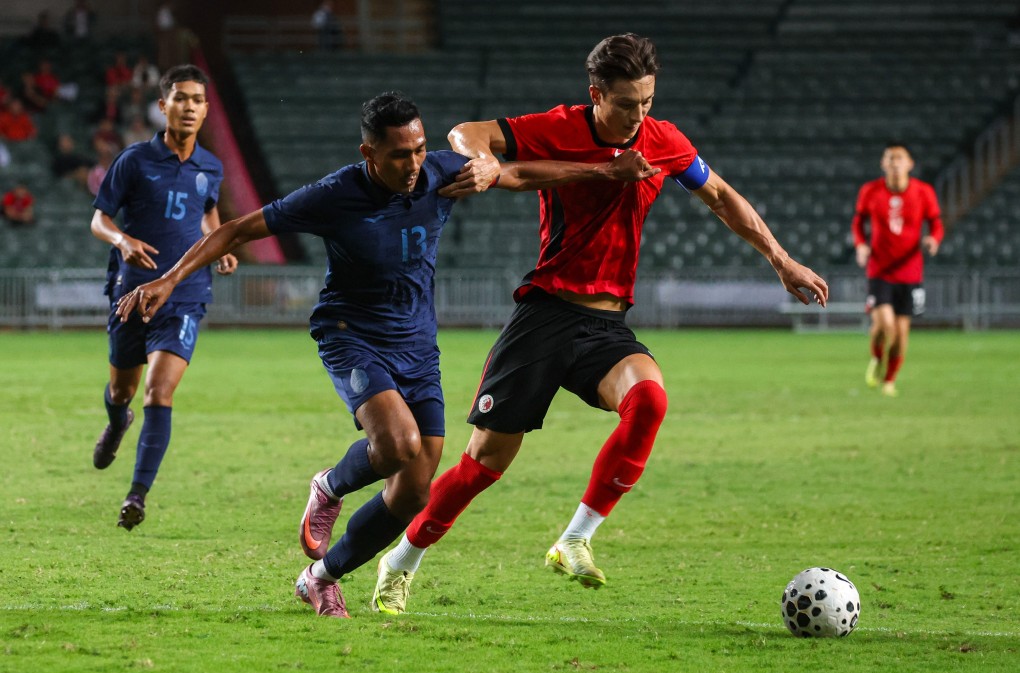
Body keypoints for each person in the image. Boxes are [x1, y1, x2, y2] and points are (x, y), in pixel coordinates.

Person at [114, 91, 658, 617]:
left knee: (413, 491)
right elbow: (237, 229)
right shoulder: (334, 194)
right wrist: (168, 280)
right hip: (351, 333)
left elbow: (520, 174)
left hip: (417, 343)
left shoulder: (441, 173)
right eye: (401, 154)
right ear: (368, 153)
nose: (415, 164)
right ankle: (329, 486)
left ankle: (320, 579)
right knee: (397, 444)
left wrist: (589, 170)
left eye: (420, 149)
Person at [369, 33, 830, 616]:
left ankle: (575, 538)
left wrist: (781, 259)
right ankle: (401, 560)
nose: (641, 115)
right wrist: (482, 159)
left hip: (607, 323)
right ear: (596, 96)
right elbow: (469, 132)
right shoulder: (560, 126)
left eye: (648, 101)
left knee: (650, 400)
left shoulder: (664, 141)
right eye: (628, 103)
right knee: (483, 465)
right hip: (545, 314)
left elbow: (718, 193)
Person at [88, 64, 238, 531]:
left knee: (160, 390)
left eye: (197, 100)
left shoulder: (210, 166)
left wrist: (219, 248)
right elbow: (98, 220)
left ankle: (137, 494)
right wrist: (123, 241)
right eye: (181, 98)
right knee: (122, 391)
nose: (189, 107)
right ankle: (117, 421)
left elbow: (208, 213)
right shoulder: (133, 161)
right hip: (132, 292)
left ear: (205, 109)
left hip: (186, 294)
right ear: (163, 106)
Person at [852, 141, 942, 397]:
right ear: (883, 164)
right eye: (889, 158)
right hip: (879, 270)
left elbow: (936, 224)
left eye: (899, 158)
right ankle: (877, 358)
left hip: (911, 273)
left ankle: (889, 380)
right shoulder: (870, 191)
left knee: (901, 334)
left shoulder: (923, 192)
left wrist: (934, 239)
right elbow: (858, 223)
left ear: (910, 164)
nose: (894, 162)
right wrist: (860, 245)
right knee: (884, 326)